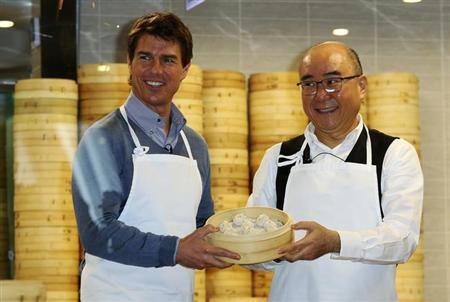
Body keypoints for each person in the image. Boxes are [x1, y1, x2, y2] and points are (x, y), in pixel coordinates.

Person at [72, 12, 240, 302]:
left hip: (177, 294)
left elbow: (202, 220)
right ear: (130, 62)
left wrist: (242, 242)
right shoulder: (104, 138)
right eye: (145, 57)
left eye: (169, 60)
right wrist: (176, 250)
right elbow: (97, 231)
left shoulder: (195, 145)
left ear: (186, 68)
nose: (155, 70)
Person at [246, 41, 423, 301]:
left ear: (361, 86)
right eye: (309, 84)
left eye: (332, 82)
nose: (320, 95)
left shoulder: (393, 154)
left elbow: (402, 240)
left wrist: (335, 242)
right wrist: (252, 249)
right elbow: (256, 254)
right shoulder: (279, 158)